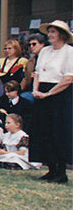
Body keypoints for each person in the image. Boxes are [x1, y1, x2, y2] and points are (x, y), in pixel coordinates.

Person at [30, 20, 73, 184]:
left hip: (60, 95)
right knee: (44, 131)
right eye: (49, 32)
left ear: (62, 35)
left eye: (53, 32)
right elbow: (38, 73)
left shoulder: (69, 52)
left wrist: (48, 94)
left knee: (58, 132)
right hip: (42, 93)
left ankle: (61, 172)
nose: (50, 35)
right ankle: (51, 169)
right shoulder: (45, 51)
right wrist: (36, 90)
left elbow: (68, 78)